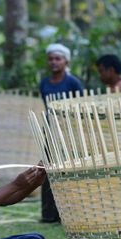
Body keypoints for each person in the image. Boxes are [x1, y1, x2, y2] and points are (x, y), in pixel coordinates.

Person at [38, 43, 84, 223]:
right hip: (50, 130)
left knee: (68, 171)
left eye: (58, 59)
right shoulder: (44, 83)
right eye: (51, 59)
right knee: (48, 171)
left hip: (69, 132)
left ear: (66, 61)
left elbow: (80, 106)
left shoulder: (73, 82)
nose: (54, 62)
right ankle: (48, 214)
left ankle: (69, 215)